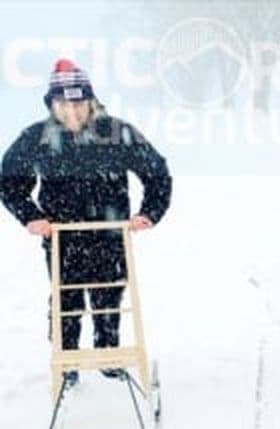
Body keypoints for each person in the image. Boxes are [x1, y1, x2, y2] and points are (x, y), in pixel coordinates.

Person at [0, 58, 172, 388]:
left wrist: (149, 212)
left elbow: (157, 171)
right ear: (52, 104)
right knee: (67, 301)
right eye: (64, 104)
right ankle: (67, 363)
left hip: (110, 234)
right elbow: (9, 182)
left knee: (109, 295)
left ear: (90, 100)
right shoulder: (37, 138)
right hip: (63, 238)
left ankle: (108, 355)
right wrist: (31, 216)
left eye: (79, 103)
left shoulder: (116, 133)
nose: (73, 112)